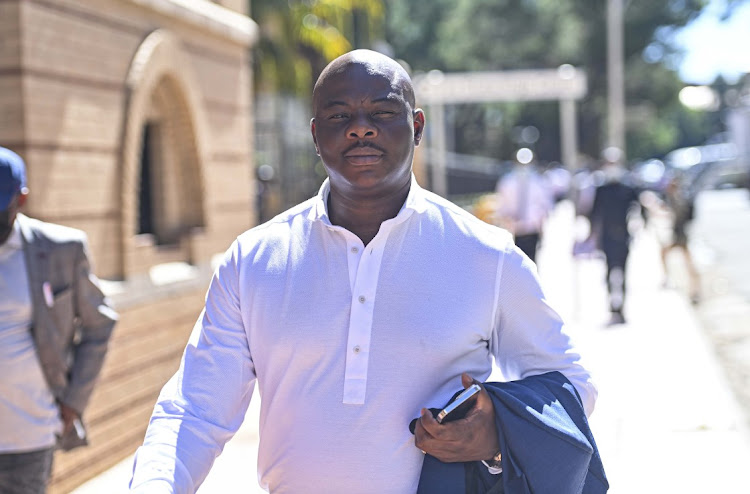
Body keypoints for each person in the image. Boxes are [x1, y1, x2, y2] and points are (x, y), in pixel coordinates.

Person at [129, 50, 597, 493]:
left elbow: (571, 383)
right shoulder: (253, 260)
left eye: (382, 113)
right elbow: (195, 408)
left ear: (416, 127)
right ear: (316, 135)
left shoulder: (488, 256)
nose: (360, 129)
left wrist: (498, 429)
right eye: (339, 116)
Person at [0, 147, 118, 494]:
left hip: (29, 435)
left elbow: (100, 324)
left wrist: (74, 401)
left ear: (20, 200)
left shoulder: (60, 250)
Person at [586, 147, 642, 325]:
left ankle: (622, 308)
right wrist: (591, 236)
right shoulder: (601, 189)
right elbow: (594, 214)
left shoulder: (627, 187)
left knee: (624, 272)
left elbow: (637, 208)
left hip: (623, 236)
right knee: (609, 271)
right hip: (607, 237)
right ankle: (612, 306)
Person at [494, 148, 554, 262]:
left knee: (531, 260)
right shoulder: (507, 181)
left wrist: (541, 226)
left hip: (531, 227)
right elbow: (502, 204)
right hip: (512, 228)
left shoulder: (538, 181)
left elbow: (544, 205)